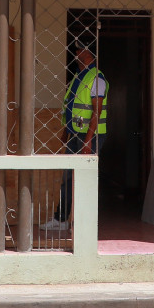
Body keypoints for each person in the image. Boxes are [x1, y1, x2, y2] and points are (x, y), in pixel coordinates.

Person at [42, 46, 107, 230]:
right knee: (68, 177)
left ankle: (84, 223)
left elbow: (96, 111)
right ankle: (62, 219)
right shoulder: (79, 76)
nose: (76, 54)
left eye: (80, 51)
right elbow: (72, 107)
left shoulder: (96, 78)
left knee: (84, 178)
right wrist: (67, 130)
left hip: (90, 136)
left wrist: (88, 140)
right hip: (76, 134)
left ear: (89, 54)